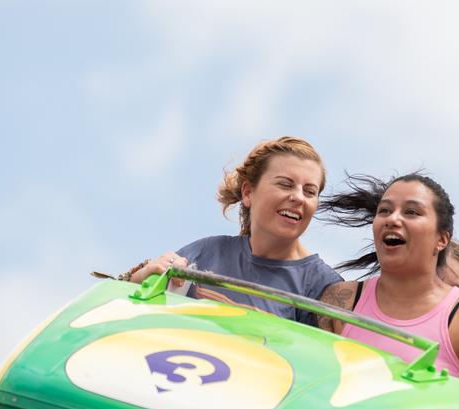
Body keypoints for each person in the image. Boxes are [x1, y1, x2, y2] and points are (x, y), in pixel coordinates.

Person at [316, 173, 459, 393]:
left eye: (412, 212)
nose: (393, 219)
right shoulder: (340, 300)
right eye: (384, 210)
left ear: (442, 239)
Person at [117, 136, 344, 324]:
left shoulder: (324, 286)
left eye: (310, 191)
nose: (298, 197)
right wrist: (141, 277)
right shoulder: (206, 253)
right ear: (248, 193)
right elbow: (132, 315)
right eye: (285, 184)